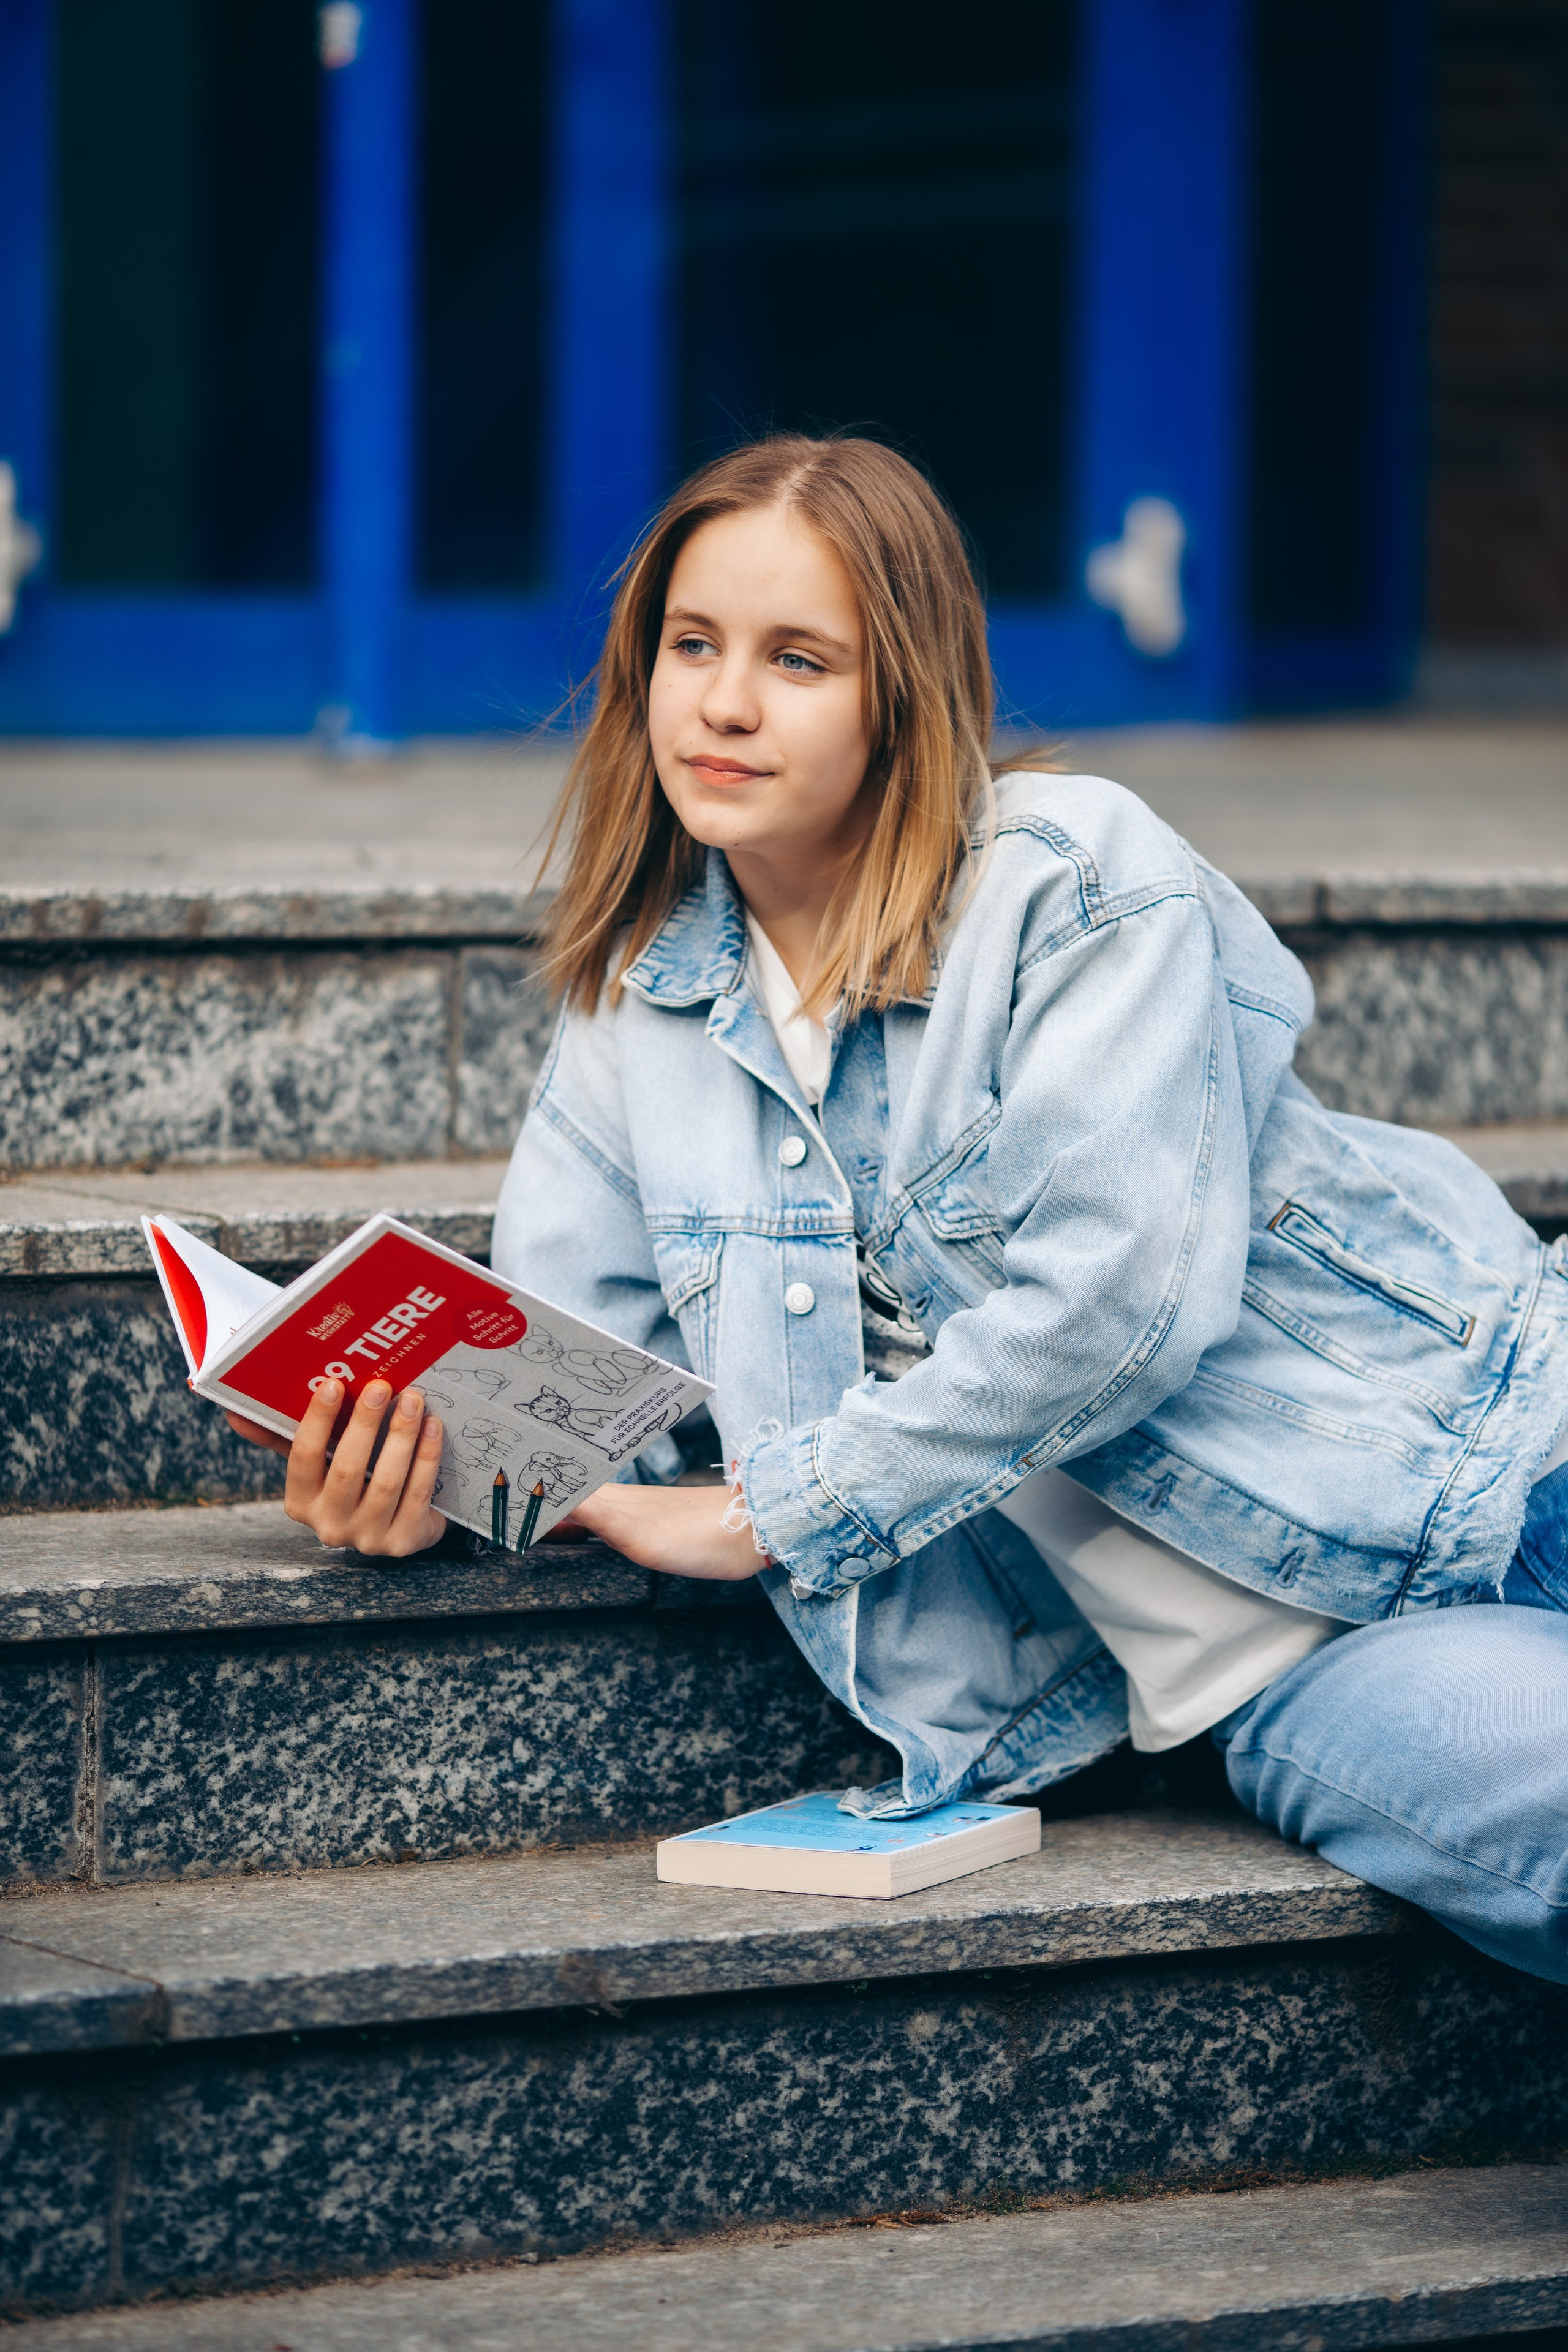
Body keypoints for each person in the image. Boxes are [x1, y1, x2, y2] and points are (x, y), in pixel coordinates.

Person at [229, 435, 1568, 1985]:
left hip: (1508, 1437)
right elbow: (601, 1415)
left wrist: (771, 1512)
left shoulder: (1069, 879)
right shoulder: (633, 1027)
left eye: (796, 659)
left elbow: (1117, 1304)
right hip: (1294, 1664)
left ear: (900, 695)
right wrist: (411, 1474)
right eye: (690, 647)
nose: (722, 704)